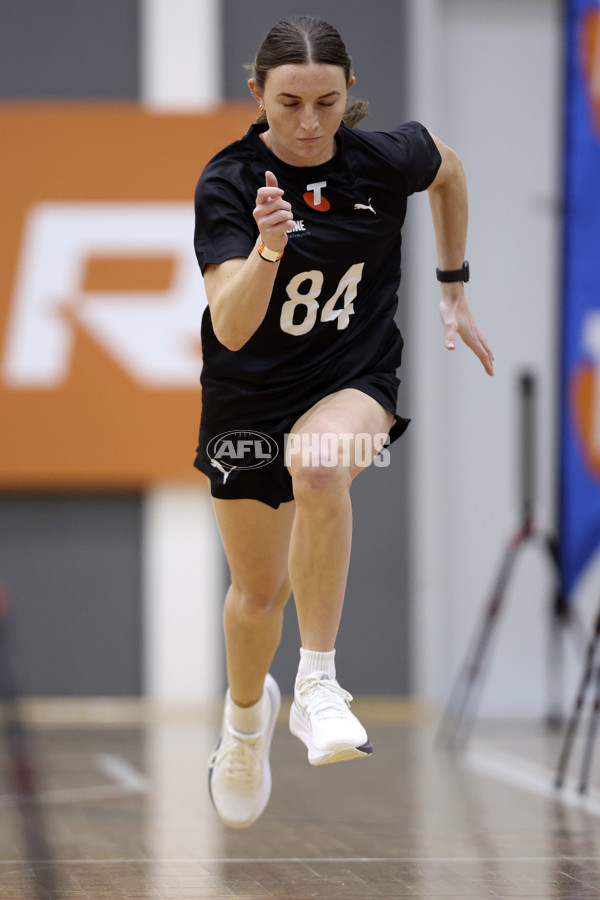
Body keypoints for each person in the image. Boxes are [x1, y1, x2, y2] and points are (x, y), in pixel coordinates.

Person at [193, 15, 494, 829]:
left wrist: (453, 285)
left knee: (322, 464)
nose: (309, 122)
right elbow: (228, 325)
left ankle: (319, 684)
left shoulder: (384, 159)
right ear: (257, 94)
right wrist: (265, 250)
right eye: (290, 102)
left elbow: (451, 170)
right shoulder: (229, 182)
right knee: (257, 595)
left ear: (348, 91)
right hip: (249, 394)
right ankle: (245, 723)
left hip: (353, 377)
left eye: (327, 101)